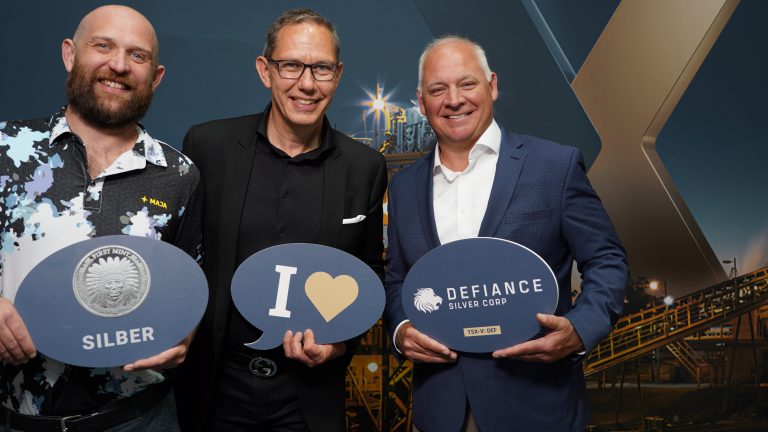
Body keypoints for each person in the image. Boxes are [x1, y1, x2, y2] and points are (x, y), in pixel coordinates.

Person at [383, 36, 629, 432]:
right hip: (438, 410)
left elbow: (607, 261)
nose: (454, 99)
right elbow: (397, 278)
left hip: (535, 408)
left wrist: (581, 329)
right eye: (438, 89)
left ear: (492, 86)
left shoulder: (555, 166)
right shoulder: (404, 187)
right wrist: (400, 330)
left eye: (467, 84)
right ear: (421, 101)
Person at [175, 8, 387, 432]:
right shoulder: (207, 146)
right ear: (264, 70)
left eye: (321, 68)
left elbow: (370, 275)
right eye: (291, 65)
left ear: (338, 74)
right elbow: (182, 259)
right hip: (215, 388)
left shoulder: (365, 166)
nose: (306, 83)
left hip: (308, 398)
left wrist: (339, 343)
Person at [0, 5, 201, 432]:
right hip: (17, 416)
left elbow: (188, 284)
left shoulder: (180, 174)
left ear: (156, 76)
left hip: (140, 418)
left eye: (138, 55)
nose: (118, 65)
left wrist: (186, 334)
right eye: (103, 46)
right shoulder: (6, 149)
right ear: (70, 54)